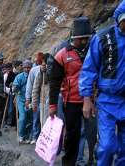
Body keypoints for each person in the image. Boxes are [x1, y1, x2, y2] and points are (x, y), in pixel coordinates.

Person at [79, 1, 125, 165]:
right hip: (107, 100)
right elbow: (89, 70)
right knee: (107, 147)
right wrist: (86, 99)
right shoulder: (102, 38)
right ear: (118, 19)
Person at [48, 16, 97, 166]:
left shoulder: (94, 50)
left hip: (92, 100)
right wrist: (52, 106)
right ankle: (69, 163)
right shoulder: (62, 55)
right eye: (80, 39)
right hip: (71, 103)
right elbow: (54, 83)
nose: (84, 42)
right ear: (73, 38)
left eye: (86, 39)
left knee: (93, 134)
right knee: (72, 136)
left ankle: (91, 161)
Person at [25, 52, 44, 144]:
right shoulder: (34, 70)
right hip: (36, 98)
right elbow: (30, 85)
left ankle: (43, 139)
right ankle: (35, 137)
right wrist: (28, 99)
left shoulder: (50, 68)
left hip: (46, 99)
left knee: (44, 119)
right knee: (36, 118)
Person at [13, 60, 33, 143]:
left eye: (29, 67)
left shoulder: (33, 76)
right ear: (23, 68)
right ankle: (21, 135)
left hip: (31, 99)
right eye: (26, 67)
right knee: (23, 117)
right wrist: (15, 87)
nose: (27, 69)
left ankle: (27, 136)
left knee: (29, 118)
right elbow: (14, 87)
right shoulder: (19, 77)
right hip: (21, 99)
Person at [31, 54, 48, 128]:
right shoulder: (40, 73)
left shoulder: (55, 70)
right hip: (44, 103)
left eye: (45, 63)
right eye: (42, 62)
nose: (44, 64)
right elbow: (35, 88)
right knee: (44, 126)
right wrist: (34, 103)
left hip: (55, 103)